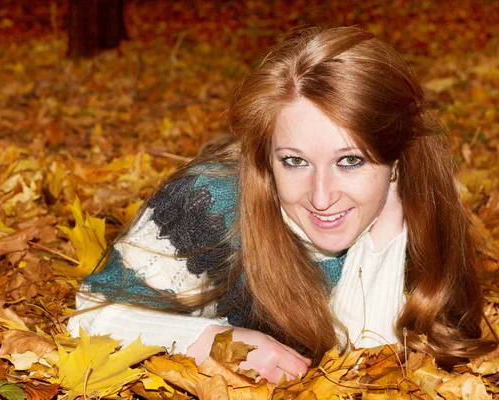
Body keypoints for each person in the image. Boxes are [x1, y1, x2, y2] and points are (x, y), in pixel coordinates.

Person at [67, 26, 496, 383]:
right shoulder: (210, 207)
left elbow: (376, 367)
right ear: (265, 158)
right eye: (294, 161)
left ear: (396, 159)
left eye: (350, 161)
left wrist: (385, 240)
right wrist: (214, 340)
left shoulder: (424, 212)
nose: (321, 197)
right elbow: (92, 314)